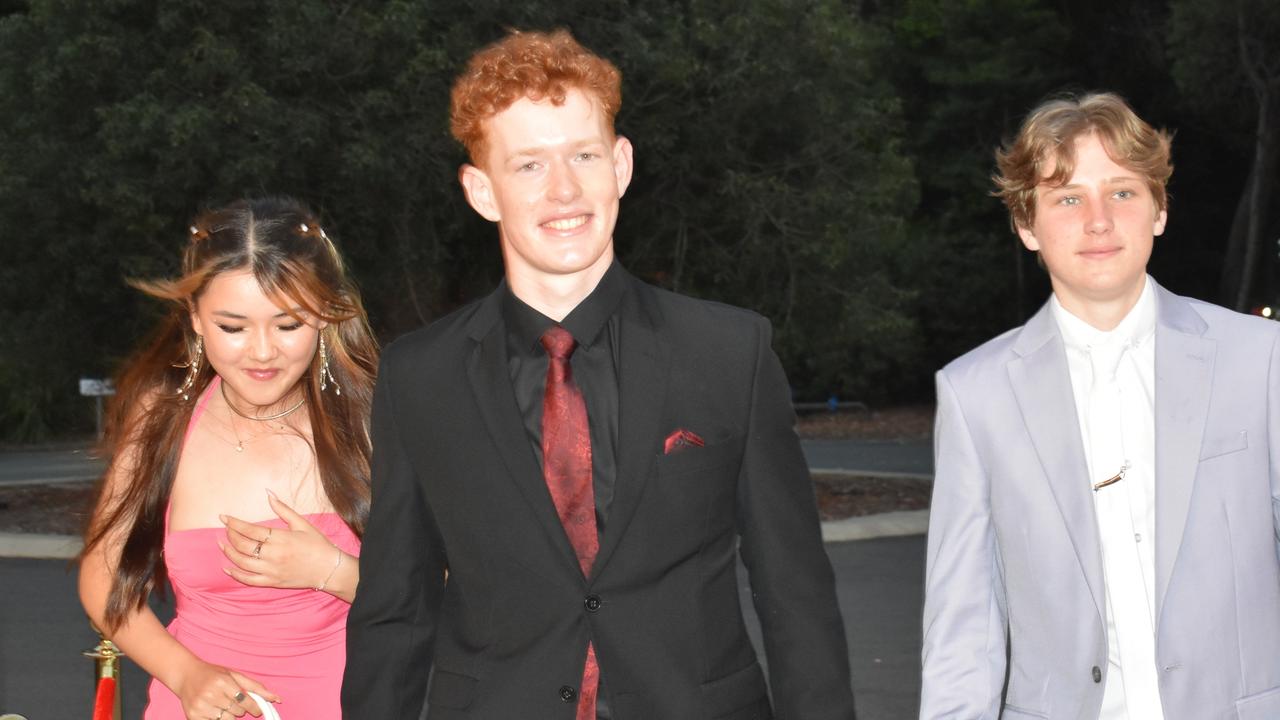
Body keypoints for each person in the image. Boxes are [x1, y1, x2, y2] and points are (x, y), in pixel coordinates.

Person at [342, 29, 856, 719]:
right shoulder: (420, 376)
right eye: (527, 165)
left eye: (583, 155)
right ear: (480, 190)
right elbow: (394, 611)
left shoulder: (730, 351)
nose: (564, 189)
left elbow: (794, 592)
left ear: (620, 164)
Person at [920, 92, 1280, 719]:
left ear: (1159, 211)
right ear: (1027, 226)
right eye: (1067, 198)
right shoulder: (974, 393)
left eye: (1121, 192)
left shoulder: (1261, 360)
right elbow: (963, 630)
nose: (1097, 220)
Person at [78, 197, 379, 720]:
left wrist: (333, 571)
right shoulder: (163, 418)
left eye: (288, 326)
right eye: (233, 327)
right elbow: (103, 581)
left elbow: (453, 588)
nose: (262, 352)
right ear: (195, 319)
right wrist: (185, 674)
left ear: (327, 318)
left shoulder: (374, 420)